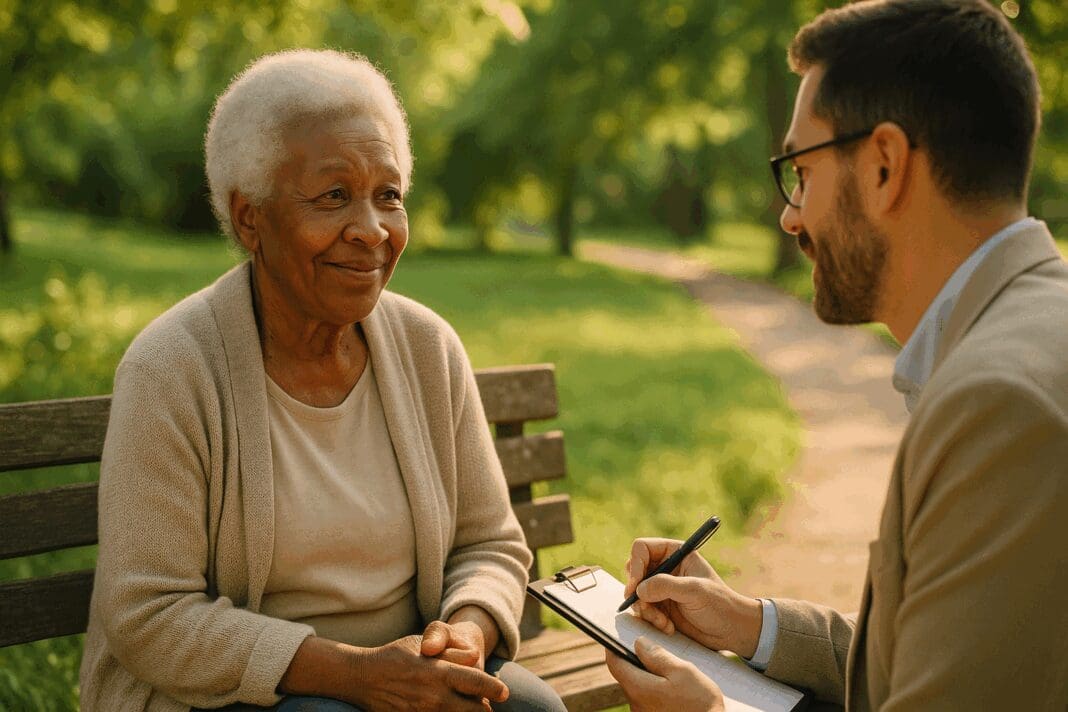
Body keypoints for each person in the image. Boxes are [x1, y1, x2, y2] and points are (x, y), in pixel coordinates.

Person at [606, 1, 1068, 710]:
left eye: (801, 170)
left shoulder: (998, 401)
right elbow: (944, 652)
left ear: (884, 166)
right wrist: (752, 624)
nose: (791, 214)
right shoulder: (1030, 331)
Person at [78, 49, 566, 712]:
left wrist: (466, 633)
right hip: (237, 697)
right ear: (250, 217)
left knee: (532, 708)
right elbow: (149, 614)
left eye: (388, 196)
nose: (371, 231)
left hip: (406, 670)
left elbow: (491, 544)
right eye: (334, 196)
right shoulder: (170, 370)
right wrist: (356, 674)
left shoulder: (429, 349)